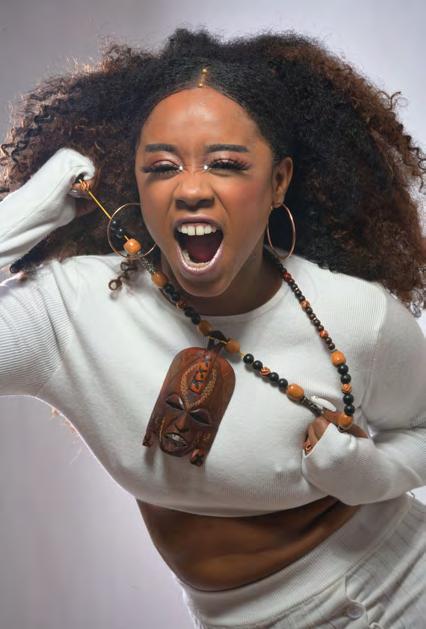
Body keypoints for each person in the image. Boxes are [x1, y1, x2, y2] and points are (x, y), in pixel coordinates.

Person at [0, 27, 425, 628]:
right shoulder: (69, 310)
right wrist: (18, 215)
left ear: (278, 182)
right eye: (162, 167)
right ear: (136, 180)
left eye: (225, 164)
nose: (192, 189)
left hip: (404, 587)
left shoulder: (355, 315)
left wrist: (371, 475)